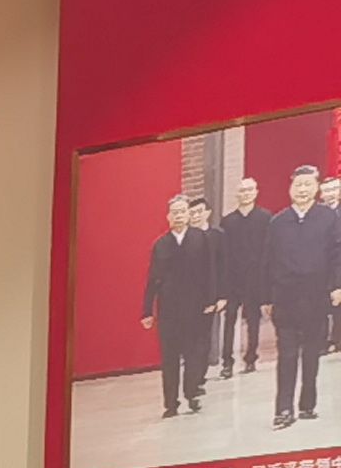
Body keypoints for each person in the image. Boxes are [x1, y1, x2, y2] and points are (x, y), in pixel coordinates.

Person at [270, 163, 336, 426]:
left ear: (317, 187)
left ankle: (307, 404)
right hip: (285, 298)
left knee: (311, 353)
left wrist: (337, 286)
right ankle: (283, 409)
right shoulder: (278, 222)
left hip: (316, 296)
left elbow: (337, 253)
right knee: (286, 354)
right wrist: (267, 297)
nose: (302, 189)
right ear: (290, 188)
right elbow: (267, 261)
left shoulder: (329, 218)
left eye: (308, 184)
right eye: (298, 185)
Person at [143, 186, 217, 416]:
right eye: (174, 212)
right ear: (168, 216)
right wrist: (147, 310)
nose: (178, 216)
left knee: (194, 353)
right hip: (169, 310)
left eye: (182, 211)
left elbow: (210, 271)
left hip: (195, 307)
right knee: (170, 358)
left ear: (188, 214)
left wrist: (212, 298)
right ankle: (171, 403)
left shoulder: (201, 239)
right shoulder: (161, 244)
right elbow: (152, 278)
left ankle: (192, 393)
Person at [218, 174, 274, 379]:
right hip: (233, 279)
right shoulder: (228, 221)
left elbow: (269, 251)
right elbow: (224, 254)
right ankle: (227, 361)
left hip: (255, 278)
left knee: (253, 320)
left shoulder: (266, 218)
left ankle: (251, 357)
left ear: (256, 192)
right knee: (229, 320)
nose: (246, 193)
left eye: (250, 190)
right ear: (237, 194)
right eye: (242, 190)